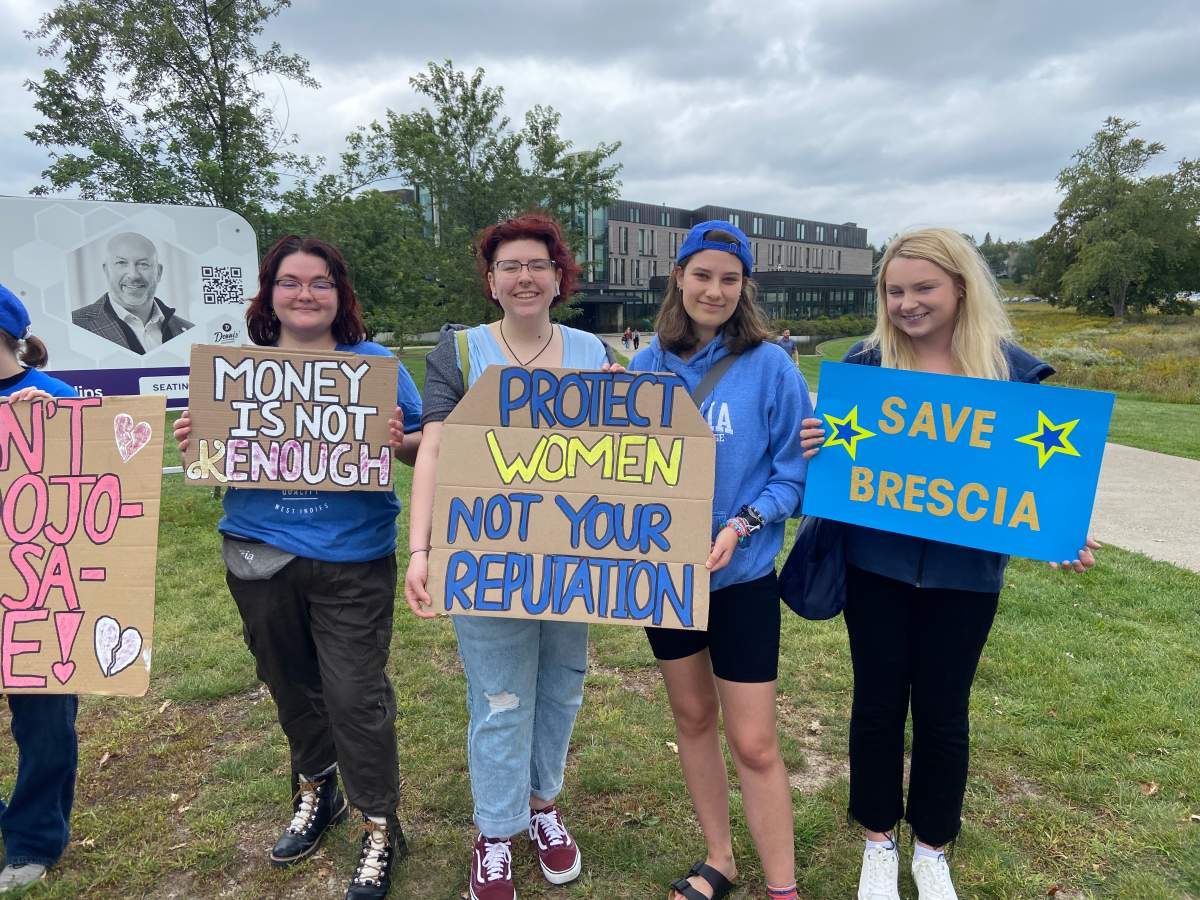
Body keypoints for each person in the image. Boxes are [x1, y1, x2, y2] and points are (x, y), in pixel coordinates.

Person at [799, 228, 1100, 900]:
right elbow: (833, 464)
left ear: (960, 287)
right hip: (874, 565)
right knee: (876, 705)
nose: (907, 303)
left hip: (966, 578)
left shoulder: (1014, 374)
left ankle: (932, 848)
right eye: (895, 290)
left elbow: (1042, 482)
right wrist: (816, 443)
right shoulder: (867, 364)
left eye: (923, 288)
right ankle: (878, 839)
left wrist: (1065, 532)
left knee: (944, 710)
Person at [173, 236, 421, 900]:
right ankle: (318, 787)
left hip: (353, 558)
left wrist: (403, 441)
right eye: (290, 281)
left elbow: (426, 447)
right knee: (288, 684)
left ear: (340, 295)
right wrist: (199, 442)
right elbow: (214, 458)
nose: (305, 293)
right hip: (258, 553)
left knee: (354, 696)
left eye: (320, 282)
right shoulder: (236, 370)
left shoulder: (377, 366)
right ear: (269, 292)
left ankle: (379, 824)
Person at [405, 213, 609, 900]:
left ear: (559, 278)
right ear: (491, 283)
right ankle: (496, 831)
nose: (524, 277)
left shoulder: (592, 353)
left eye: (537, 265)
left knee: (561, 686)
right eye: (509, 267)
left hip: (575, 559)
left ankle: (542, 806)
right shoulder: (460, 352)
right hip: (485, 556)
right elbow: (432, 447)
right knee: (499, 697)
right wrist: (421, 548)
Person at [631, 221, 811, 900]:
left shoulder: (772, 366)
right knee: (692, 719)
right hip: (665, 579)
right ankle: (718, 859)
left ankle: (782, 886)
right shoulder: (645, 367)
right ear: (679, 277)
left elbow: (791, 476)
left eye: (729, 279)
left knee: (756, 742)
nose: (714, 290)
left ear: (745, 286)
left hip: (741, 580)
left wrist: (742, 524)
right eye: (702, 275)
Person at [0, 282, 80, 893]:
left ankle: (32, 840)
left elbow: (103, 503)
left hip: (40, 595)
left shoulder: (58, 401)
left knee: (45, 728)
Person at [73, 232, 193, 354]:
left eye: (143, 264)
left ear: (159, 272)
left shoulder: (188, 330)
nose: (133, 275)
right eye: (121, 263)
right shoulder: (76, 326)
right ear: (106, 271)